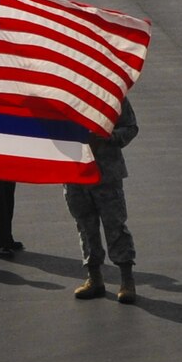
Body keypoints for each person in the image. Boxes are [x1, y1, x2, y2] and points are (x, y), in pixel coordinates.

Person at [65, 97, 140, 303]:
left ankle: (127, 280)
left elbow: (130, 127)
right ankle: (94, 277)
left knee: (115, 226)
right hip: (75, 173)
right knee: (85, 227)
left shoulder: (111, 95)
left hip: (106, 173)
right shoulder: (64, 94)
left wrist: (108, 137)